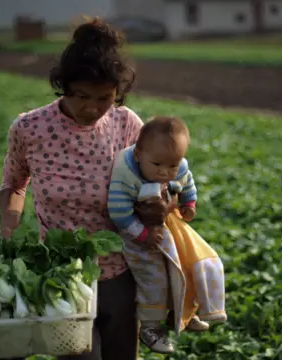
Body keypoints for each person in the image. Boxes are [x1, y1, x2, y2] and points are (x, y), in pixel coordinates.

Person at [0, 18, 175, 360]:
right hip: (61, 275)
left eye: (104, 98)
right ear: (63, 86)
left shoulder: (127, 125)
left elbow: (158, 183)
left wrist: (158, 208)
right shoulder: (30, 127)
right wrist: (9, 224)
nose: (92, 108)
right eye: (82, 96)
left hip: (120, 273)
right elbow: (14, 182)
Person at [107, 116, 227, 354]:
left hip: (166, 227)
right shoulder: (125, 173)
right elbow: (119, 213)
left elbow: (187, 181)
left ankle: (182, 313)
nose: (165, 172)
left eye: (172, 165)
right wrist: (142, 235)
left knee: (186, 265)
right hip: (135, 235)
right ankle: (150, 327)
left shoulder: (177, 165)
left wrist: (188, 203)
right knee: (154, 277)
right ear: (139, 155)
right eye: (158, 165)